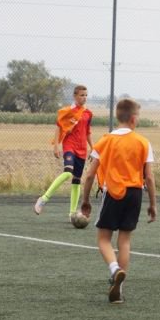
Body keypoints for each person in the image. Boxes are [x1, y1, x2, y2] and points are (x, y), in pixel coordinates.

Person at [80, 98, 157, 304]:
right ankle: (119, 290)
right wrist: (153, 204)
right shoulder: (143, 142)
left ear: (118, 117)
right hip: (135, 194)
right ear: (133, 119)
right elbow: (149, 177)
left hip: (113, 193)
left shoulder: (105, 141)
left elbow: (90, 175)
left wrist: (85, 200)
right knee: (124, 240)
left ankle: (114, 270)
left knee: (103, 239)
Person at [34, 85, 93, 221]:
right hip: (69, 146)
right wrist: (56, 146)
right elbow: (59, 128)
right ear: (75, 96)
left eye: (86, 95)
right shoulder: (67, 111)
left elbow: (88, 132)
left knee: (76, 181)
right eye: (81, 95)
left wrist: (92, 147)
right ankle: (43, 199)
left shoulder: (88, 113)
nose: (84, 97)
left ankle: (72, 214)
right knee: (67, 172)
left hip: (82, 149)